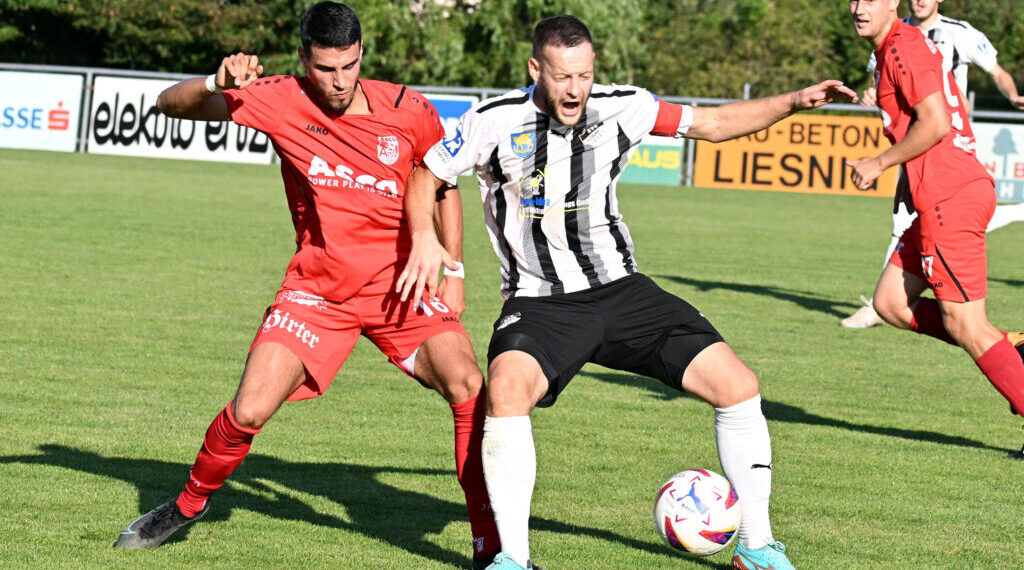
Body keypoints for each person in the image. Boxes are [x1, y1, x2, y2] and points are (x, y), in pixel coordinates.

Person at [396, 15, 856, 570]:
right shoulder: (494, 120)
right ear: (535, 68)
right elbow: (428, 173)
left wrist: (794, 101)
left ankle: (757, 548)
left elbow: (711, 123)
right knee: (506, 393)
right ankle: (512, 561)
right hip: (541, 302)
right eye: (562, 77)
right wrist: (425, 239)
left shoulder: (624, 105)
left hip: (622, 291)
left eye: (584, 75)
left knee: (739, 386)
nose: (574, 89)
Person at [113, 2, 502, 565]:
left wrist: (456, 271)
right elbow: (169, 105)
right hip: (317, 291)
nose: (340, 82)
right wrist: (211, 82)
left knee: (468, 385)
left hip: (401, 286)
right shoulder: (277, 98)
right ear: (303, 59)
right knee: (248, 411)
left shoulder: (409, 108)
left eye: (349, 66)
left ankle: (490, 546)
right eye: (326, 69)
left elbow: (443, 187)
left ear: (361, 54)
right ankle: (188, 504)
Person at [847, 0, 1024, 455]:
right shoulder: (891, 51)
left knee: (965, 324)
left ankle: (1011, 362)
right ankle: (1010, 350)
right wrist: (909, 182)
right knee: (890, 302)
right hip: (936, 196)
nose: (859, 7)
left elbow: (938, 123)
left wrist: (880, 163)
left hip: (952, 196)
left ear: (893, 4)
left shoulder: (904, 48)